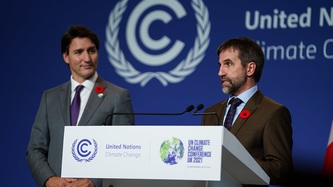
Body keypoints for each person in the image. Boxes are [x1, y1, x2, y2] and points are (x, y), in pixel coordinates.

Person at [26, 25, 135, 187]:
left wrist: (94, 182)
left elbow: (125, 152)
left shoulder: (117, 96)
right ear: (66, 57)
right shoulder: (50, 97)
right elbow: (35, 149)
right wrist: (49, 180)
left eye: (91, 51)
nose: (87, 58)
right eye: (78, 52)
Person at [201, 37, 293, 186]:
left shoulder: (273, 112)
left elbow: (281, 170)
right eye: (220, 65)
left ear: (250, 68)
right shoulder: (210, 113)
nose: (220, 72)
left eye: (228, 64)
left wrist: (236, 162)